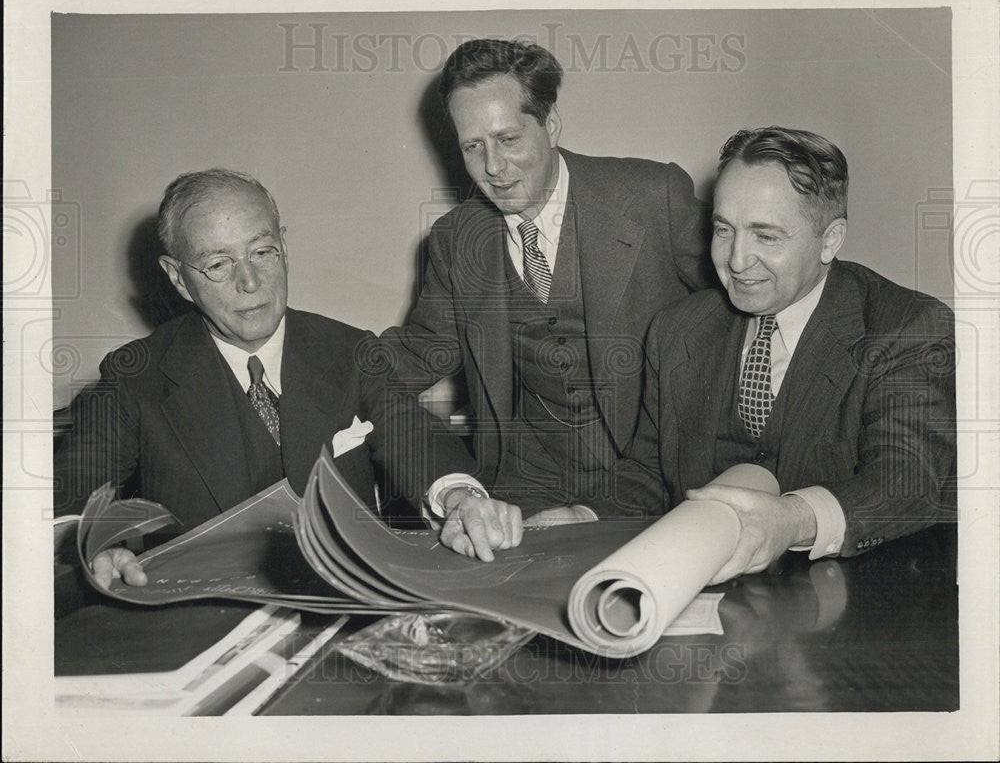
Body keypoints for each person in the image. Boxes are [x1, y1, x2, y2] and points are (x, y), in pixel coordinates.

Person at [55, 169, 476, 587]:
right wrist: (93, 543)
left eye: (262, 252)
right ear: (179, 278)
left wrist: (459, 497)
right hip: (202, 609)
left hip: (342, 604)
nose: (250, 282)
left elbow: (413, 434)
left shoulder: (351, 350)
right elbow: (71, 490)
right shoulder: (136, 375)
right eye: (219, 264)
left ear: (284, 249)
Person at [378, 38, 712, 561]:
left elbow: (738, 323)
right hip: (520, 496)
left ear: (550, 123)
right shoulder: (453, 239)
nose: (493, 167)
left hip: (656, 489)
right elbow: (410, 359)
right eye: (472, 147)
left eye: (508, 138)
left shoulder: (653, 198)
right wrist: (298, 356)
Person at [618, 126, 956, 583]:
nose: (736, 260)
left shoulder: (907, 327)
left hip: (857, 602)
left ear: (830, 239)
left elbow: (904, 481)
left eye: (767, 236)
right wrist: (580, 514)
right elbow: (647, 474)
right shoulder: (677, 329)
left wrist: (791, 520)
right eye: (724, 230)